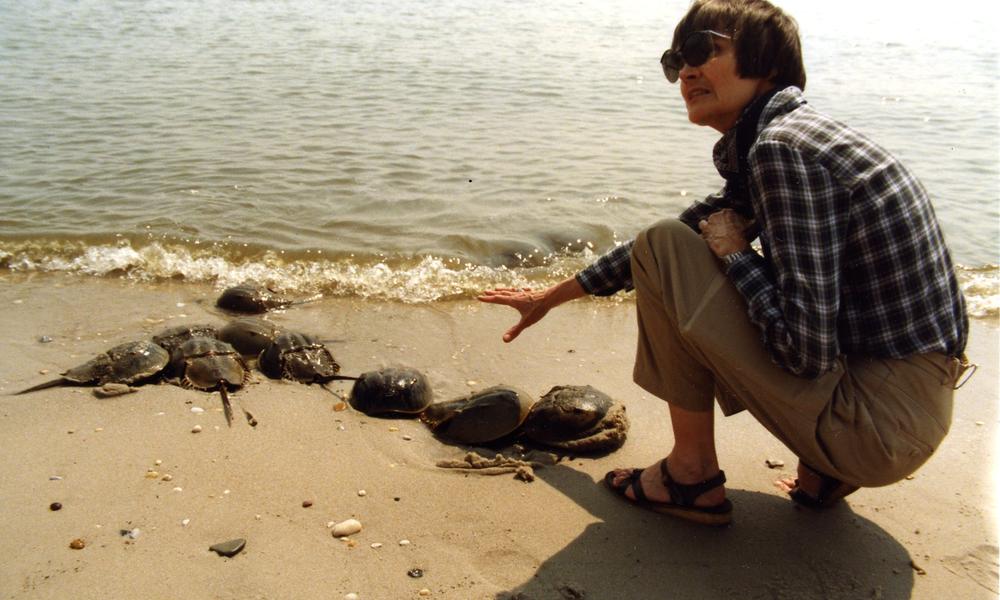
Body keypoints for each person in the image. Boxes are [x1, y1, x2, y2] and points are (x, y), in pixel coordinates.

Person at [478, 0, 970, 526]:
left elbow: (804, 351)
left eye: (700, 50)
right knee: (667, 243)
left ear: (770, 65)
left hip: (878, 429)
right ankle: (824, 470)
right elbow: (663, 245)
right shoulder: (796, 138)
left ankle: (689, 475)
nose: (685, 71)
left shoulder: (783, 150)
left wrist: (736, 256)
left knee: (666, 244)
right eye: (674, 60)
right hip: (906, 410)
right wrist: (548, 297)